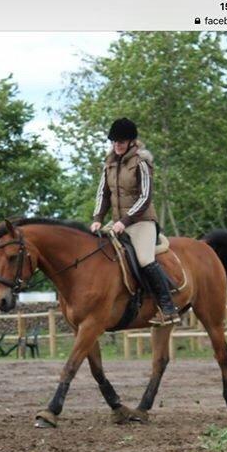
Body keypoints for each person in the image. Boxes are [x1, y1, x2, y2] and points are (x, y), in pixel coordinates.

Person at [90, 118, 181, 326]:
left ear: (132, 141)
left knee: (144, 260)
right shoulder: (109, 164)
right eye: (114, 142)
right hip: (118, 222)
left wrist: (125, 220)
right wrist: (97, 219)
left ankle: (168, 307)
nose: (117, 145)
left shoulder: (141, 162)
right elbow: (102, 195)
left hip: (141, 221)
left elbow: (145, 196)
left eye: (121, 142)